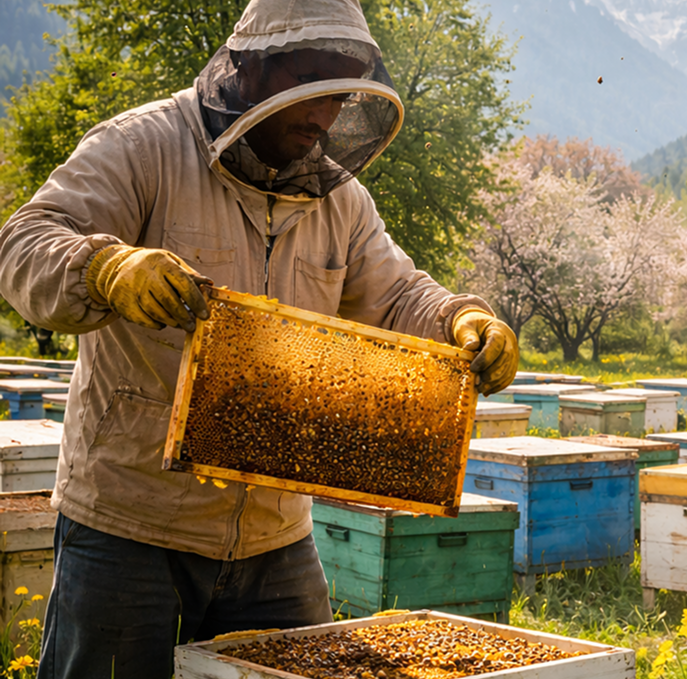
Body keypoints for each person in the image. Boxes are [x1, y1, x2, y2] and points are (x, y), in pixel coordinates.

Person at [0, 0, 518, 674]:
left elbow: (395, 295)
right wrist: (105, 267)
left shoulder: (339, 201)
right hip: (129, 521)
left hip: (274, 536)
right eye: (309, 86)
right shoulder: (142, 146)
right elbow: (23, 243)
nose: (324, 116)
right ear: (249, 69)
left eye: (337, 96)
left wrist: (460, 320)